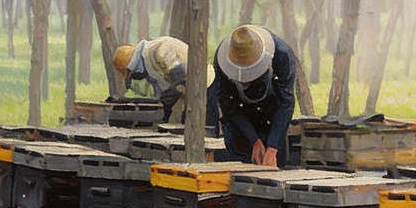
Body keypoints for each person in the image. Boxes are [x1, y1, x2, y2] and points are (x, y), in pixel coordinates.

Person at [209, 24, 296, 167]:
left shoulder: (282, 54)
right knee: (238, 172)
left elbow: (286, 103)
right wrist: (253, 140)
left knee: (273, 170)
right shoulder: (222, 58)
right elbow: (227, 105)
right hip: (240, 125)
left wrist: (272, 148)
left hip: (272, 121)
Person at [113, 36, 188, 123]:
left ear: (132, 66)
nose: (134, 77)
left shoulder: (160, 49)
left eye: (131, 73)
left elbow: (180, 78)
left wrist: (164, 103)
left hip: (200, 89)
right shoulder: (148, 63)